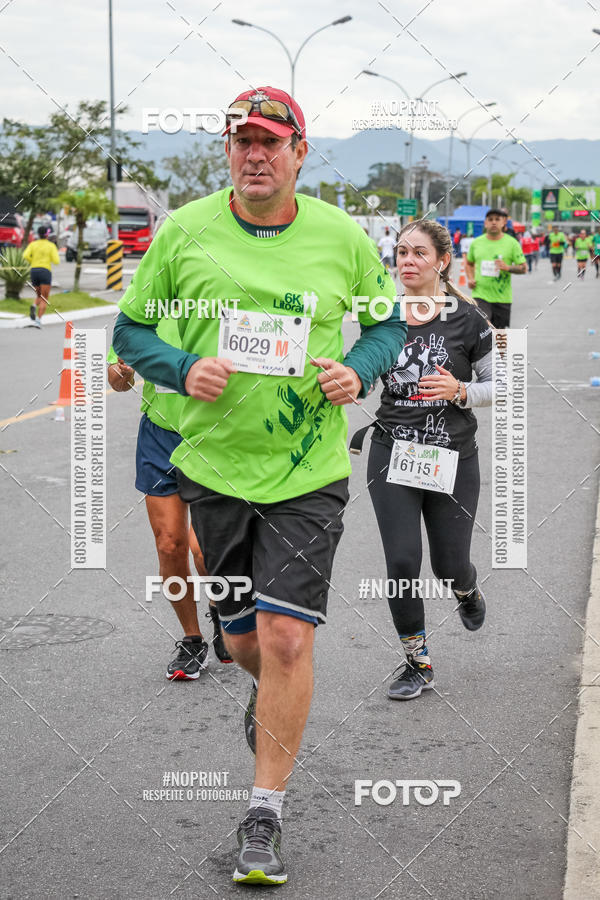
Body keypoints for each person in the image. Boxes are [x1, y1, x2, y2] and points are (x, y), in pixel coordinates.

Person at [112, 85, 406, 887]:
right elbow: (129, 330)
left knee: (286, 638)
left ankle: (263, 815)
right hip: (212, 470)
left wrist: (359, 369)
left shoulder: (341, 237)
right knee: (242, 641)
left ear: (299, 153)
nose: (255, 154)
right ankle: (268, 692)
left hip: (308, 471)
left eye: (271, 141)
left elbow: (386, 324)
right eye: (242, 140)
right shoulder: (185, 231)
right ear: (229, 150)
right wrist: (179, 367)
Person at [359, 219, 492, 700]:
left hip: (452, 456)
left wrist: (461, 391)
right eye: (400, 253)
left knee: (449, 564)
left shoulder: (468, 320)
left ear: (442, 261)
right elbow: (362, 372)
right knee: (400, 561)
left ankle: (466, 590)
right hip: (391, 452)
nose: (407, 262)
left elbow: (505, 386)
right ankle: (417, 662)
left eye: (418, 253)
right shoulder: (380, 316)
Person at [107, 324, 233, 678]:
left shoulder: (216, 298)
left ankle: (222, 610)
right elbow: (118, 381)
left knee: (205, 550)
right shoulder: (146, 313)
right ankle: (192, 640)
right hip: (160, 436)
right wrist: (123, 372)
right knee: (169, 544)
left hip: (213, 435)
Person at [465, 209, 526, 328]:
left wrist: (507, 267)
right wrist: (470, 278)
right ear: (485, 223)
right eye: (490, 219)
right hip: (480, 295)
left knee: (500, 337)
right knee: (482, 328)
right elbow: (469, 263)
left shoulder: (512, 243)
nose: (494, 222)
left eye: (497, 219)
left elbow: (523, 268)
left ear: (503, 222)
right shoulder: (476, 243)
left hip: (502, 298)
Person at [22, 225, 60, 328]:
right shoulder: (51, 245)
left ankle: (34, 306)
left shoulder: (33, 244)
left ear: (38, 234)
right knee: (44, 298)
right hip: (45, 271)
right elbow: (56, 261)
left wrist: (33, 261)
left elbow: (25, 255)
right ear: (47, 235)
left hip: (34, 271)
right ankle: (38, 321)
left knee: (39, 295)